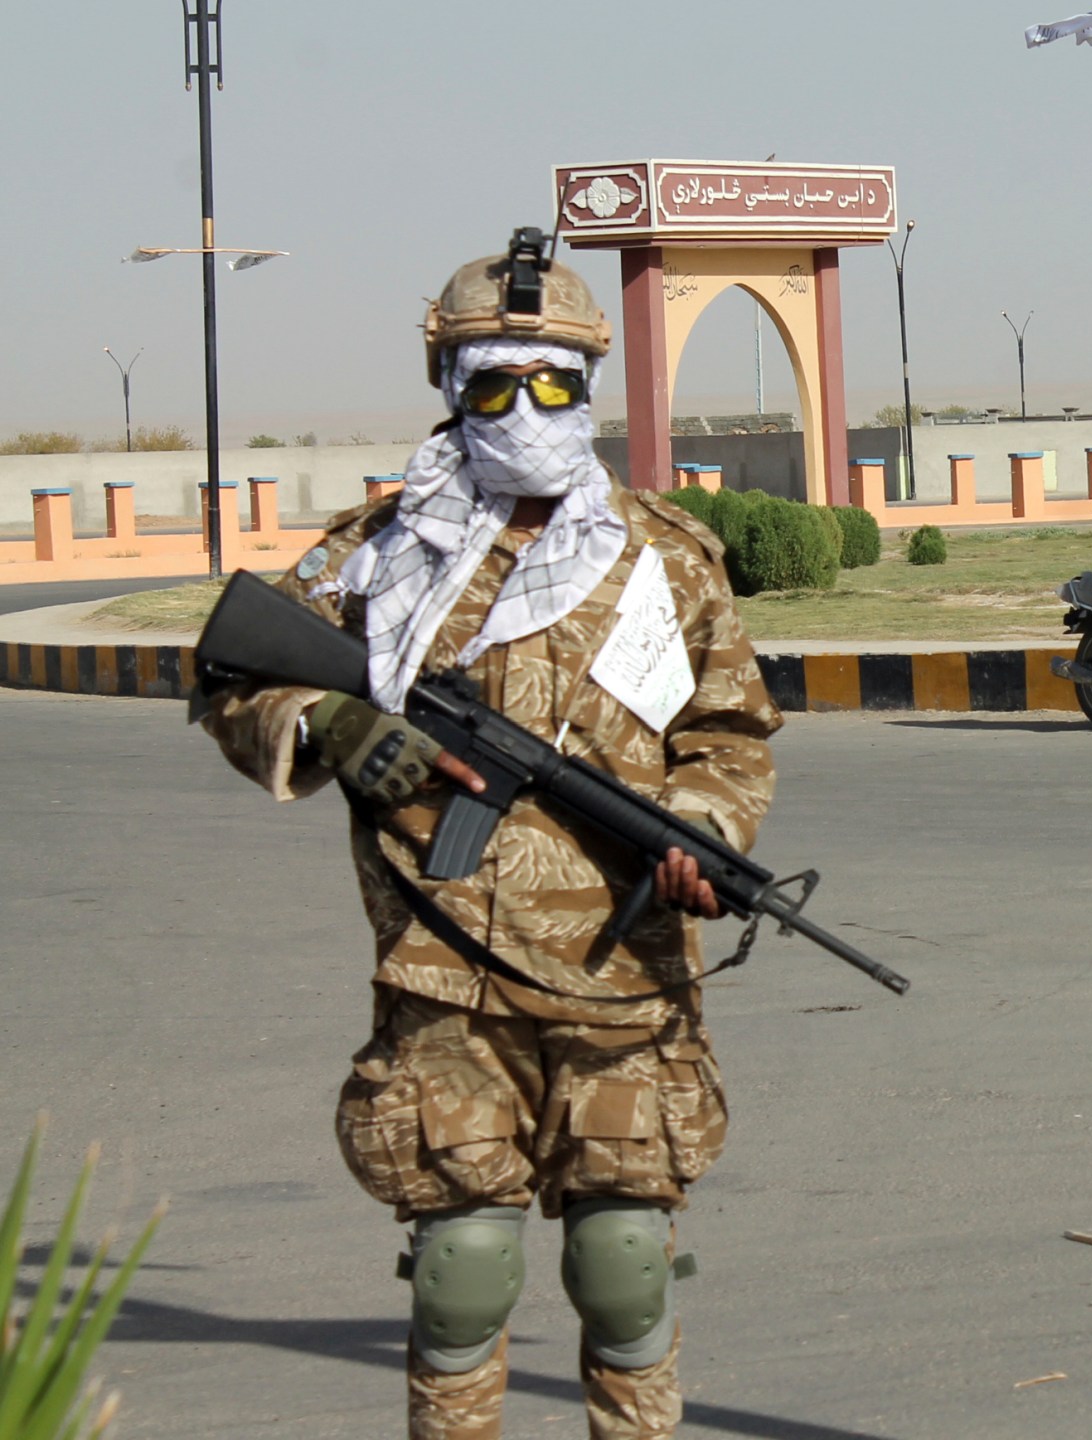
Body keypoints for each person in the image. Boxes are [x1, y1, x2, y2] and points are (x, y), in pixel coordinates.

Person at [197, 234, 781, 1440]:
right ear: (449, 386)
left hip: (627, 969)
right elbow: (230, 675)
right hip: (443, 971)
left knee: (623, 1264)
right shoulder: (378, 555)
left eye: (555, 381)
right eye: (495, 381)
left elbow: (729, 734)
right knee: (463, 1273)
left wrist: (701, 832)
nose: (526, 406)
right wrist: (336, 723)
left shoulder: (663, 560)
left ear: (590, 387)